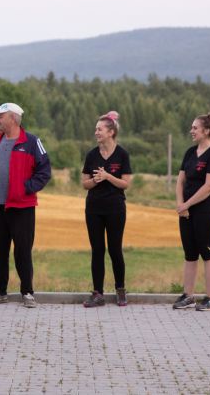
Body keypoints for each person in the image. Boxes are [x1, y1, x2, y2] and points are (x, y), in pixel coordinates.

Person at [0, 102, 51, 308]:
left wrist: (27, 187)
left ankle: (27, 292)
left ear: (13, 118)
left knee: (22, 251)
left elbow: (44, 171)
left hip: (22, 207)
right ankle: (0, 291)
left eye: (0, 116)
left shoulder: (31, 141)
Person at [172, 112, 210, 311]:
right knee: (190, 253)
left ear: (207, 130)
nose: (191, 131)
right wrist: (181, 205)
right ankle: (188, 295)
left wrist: (187, 204)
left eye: (195, 128)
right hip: (186, 211)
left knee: (207, 252)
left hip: (206, 210)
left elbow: (209, 186)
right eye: (192, 127)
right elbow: (180, 181)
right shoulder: (190, 152)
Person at [81, 111, 133, 308]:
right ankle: (97, 293)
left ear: (111, 132)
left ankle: (120, 290)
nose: (96, 132)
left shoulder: (122, 154)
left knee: (115, 249)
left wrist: (108, 176)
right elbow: (84, 184)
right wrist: (95, 179)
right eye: (96, 129)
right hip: (94, 208)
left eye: (99, 129)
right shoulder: (91, 155)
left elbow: (125, 184)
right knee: (97, 250)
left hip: (115, 209)